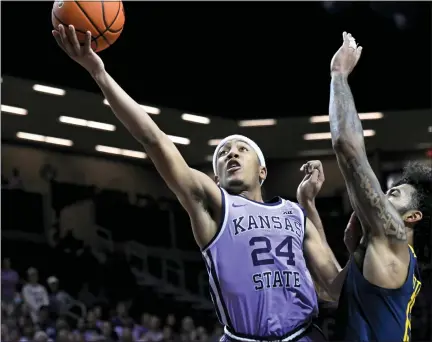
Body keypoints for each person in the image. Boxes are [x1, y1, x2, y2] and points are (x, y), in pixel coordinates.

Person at [53, 25, 347, 341]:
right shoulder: (214, 204)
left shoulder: (294, 213)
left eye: (242, 149)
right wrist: (99, 73)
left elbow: (334, 287)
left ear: (262, 171)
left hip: (304, 336)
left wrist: (310, 206)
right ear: (215, 176)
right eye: (223, 153)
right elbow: (153, 139)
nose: (232, 154)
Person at [328, 32, 431, 341]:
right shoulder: (389, 252)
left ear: (412, 217)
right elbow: (332, 292)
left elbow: (346, 145)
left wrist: (339, 75)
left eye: (394, 194)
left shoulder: (394, 235)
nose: (382, 197)